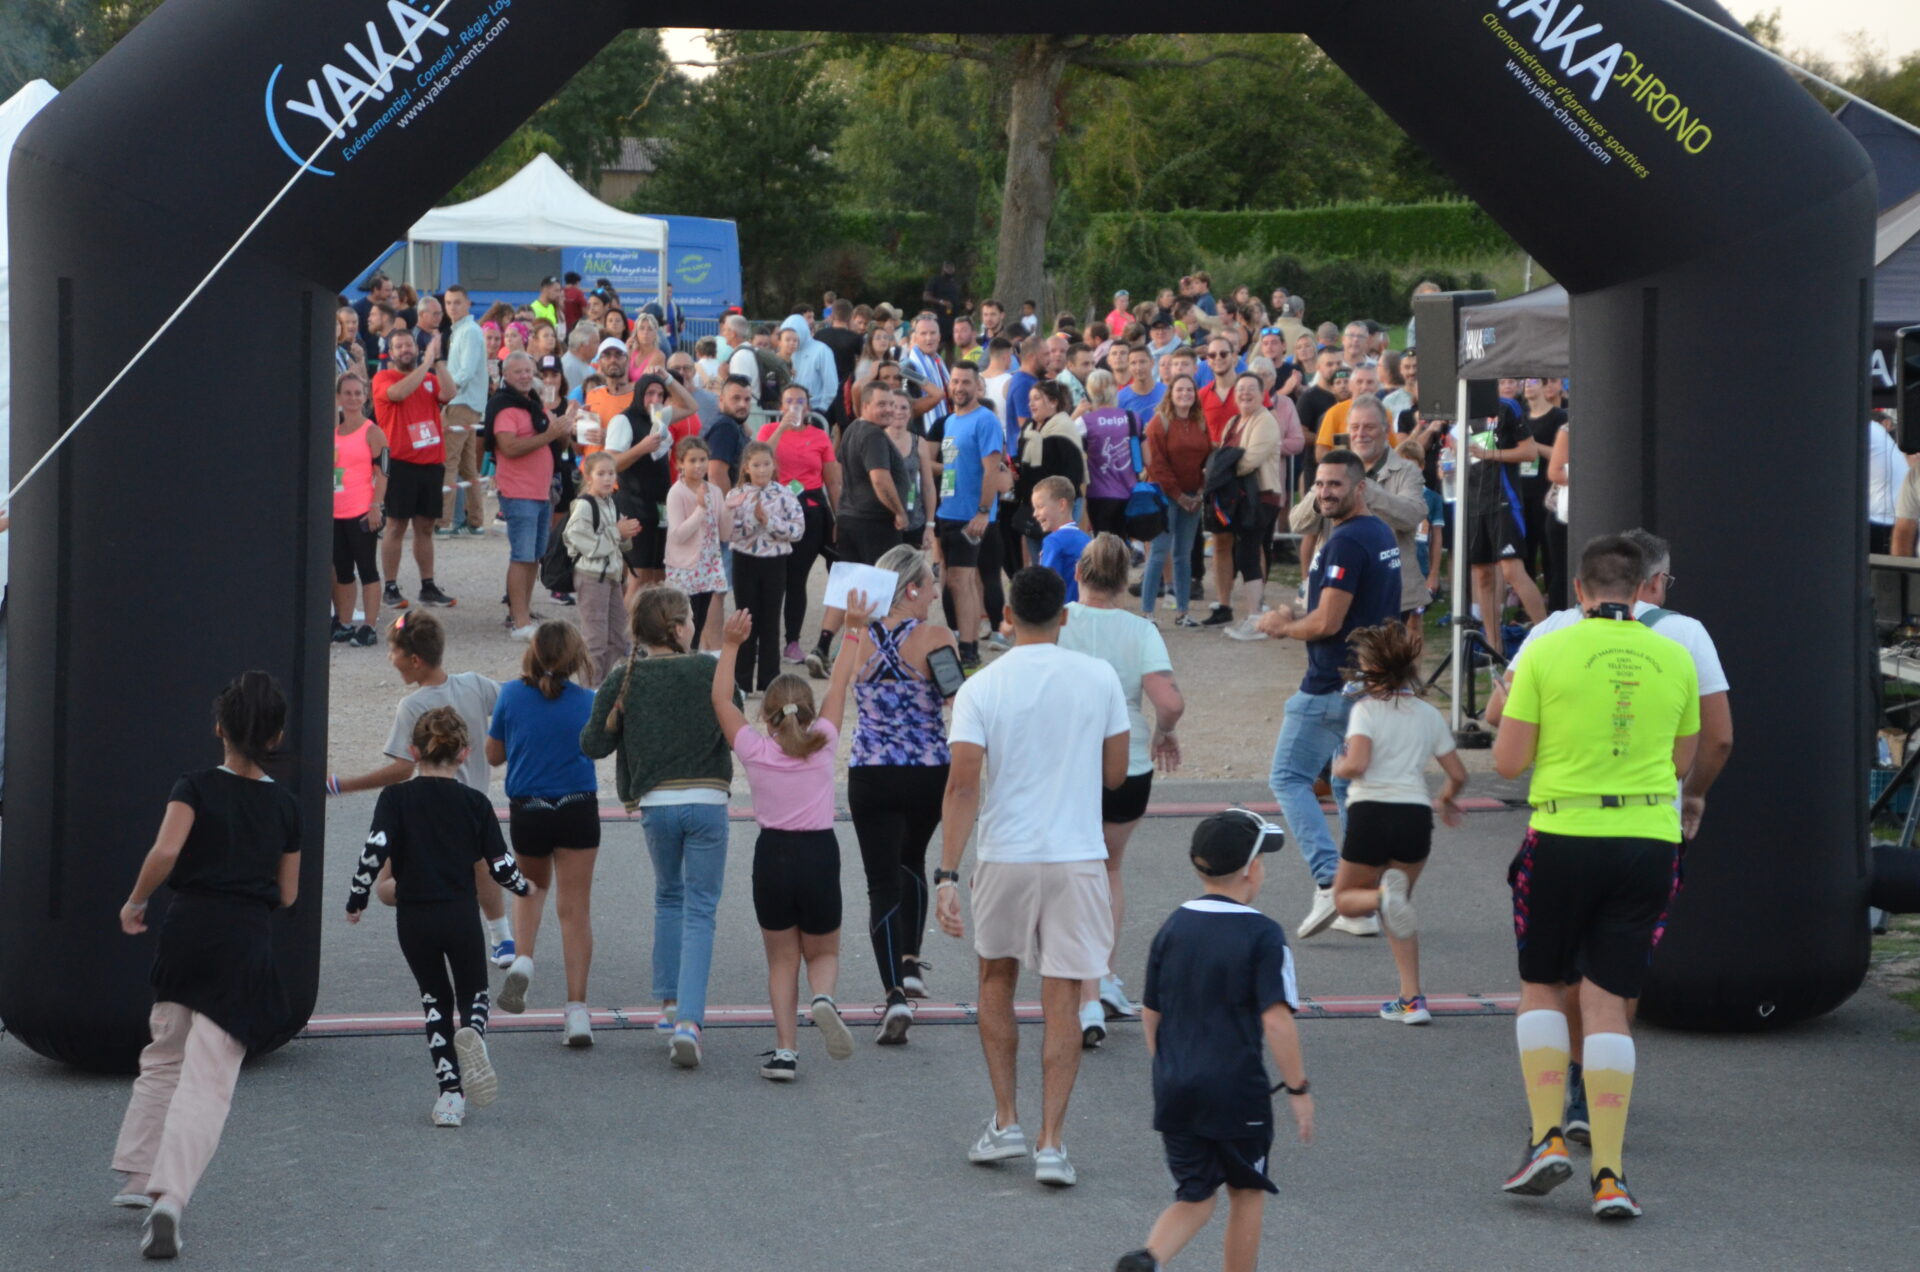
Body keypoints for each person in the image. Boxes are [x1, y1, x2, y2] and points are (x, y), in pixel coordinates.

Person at [1491, 535, 1701, 1221]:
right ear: (1642, 590)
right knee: (1610, 1003)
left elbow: (1507, 762)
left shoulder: (1547, 649)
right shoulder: (1676, 656)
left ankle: (1546, 1138)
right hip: (1648, 839)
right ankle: (1610, 1175)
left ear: (1579, 590)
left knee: (1542, 987)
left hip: (1564, 831)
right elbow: (1681, 762)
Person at [937, 566, 1130, 1189]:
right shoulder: (1098, 677)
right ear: (1064, 616)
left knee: (996, 979)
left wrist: (946, 873)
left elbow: (963, 787)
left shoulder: (981, 687)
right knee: (1064, 996)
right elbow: (1116, 775)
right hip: (1076, 854)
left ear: (1007, 616)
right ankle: (1052, 1142)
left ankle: (1006, 1120)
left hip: (1007, 854)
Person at [110, 673, 300, 1260]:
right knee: (209, 1078)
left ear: (219, 728)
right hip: (243, 940)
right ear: (276, 736)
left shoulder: (192, 786)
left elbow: (166, 851)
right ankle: (171, 1197)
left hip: (188, 929)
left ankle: (138, 1173)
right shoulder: (286, 806)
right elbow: (287, 893)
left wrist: (136, 901)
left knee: (164, 1052)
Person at [1113, 810, 1312, 1272]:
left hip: (1177, 1086)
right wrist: (1298, 1089)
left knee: (1195, 1196)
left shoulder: (1173, 926)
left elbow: (1152, 1012)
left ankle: (1148, 1260)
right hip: (1236, 1089)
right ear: (1250, 869)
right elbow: (1277, 1022)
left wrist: (1168, 1067)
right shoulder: (1264, 934)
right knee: (1247, 1191)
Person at [347, 707, 530, 1126]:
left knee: (434, 999)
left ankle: (450, 1097)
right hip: (458, 913)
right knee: (474, 992)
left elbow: (374, 849)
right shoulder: (474, 803)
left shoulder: (394, 798)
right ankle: (474, 1036)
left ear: (413, 752)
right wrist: (525, 888)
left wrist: (357, 897)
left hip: (414, 918)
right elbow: (499, 863)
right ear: (464, 753)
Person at [581, 587, 738, 1068]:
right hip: (707, 799)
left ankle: (670, 1005)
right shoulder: (708, 669)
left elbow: (593, 744)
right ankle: (689, 1020)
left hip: (655, 803)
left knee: (669, 897)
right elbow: (735, 721)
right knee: (701, 910)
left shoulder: (625, 677)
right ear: (679, 626)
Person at [1256, 451, 1402, 939]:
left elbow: (1328, 622)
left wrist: (1282, 626)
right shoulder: (1379, 534)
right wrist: (1298, 612)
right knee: (1344, 784)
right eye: (1319, 484)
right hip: (1367, 682)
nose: (1324, 492)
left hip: (1331, 683)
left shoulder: (1348, 540)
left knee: (1288, 777)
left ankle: (1330, 882)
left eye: (1335, 484)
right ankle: (1359, 902)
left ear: (1360, 488)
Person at [711, 611, 859, 1082]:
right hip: (819, 853)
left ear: (765, 715)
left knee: (781, 960)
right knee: (824, 953)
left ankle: (785, 1052)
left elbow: (720, 699)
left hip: (772, 856)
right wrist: (854, 628)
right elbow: (840, 681)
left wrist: (731, 645)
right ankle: (823, 998)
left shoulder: (755, 750)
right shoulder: (825, 740)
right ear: (810, 712)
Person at [823, 550, 957, 1043]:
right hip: (927, 771)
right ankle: (912, 961)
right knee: (912, 858)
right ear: (912, 589)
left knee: (880, 883)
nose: (936, 593)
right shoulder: (937, 638)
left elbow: (838, 688)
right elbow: (955, 698)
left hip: (872, 772)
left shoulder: (858, 638)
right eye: (931, 584)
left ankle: (895, 994)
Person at [1058, 535, 1185, 1044]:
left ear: (1078, 574)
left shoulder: (1058, 621)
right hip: (1126, 761)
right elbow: (1169, 702)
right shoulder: (1141, 631)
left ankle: (1083, 990)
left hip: (1069, 763)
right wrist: (1163, 731)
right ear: (1125, 580)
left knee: (1075, 872)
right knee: (1109, 869)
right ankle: (1105, 977)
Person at [1326, 622, 1467, 1025]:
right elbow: (1458, 773)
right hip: (1415, 816)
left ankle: (1382, 898)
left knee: (1346, 899)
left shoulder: (1366, 710)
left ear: (1370, 671)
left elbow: (1357, 763)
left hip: (1371, 812)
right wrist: (1446, 799)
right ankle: (1412, 999)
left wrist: (1339, 765)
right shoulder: (1429, 714)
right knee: (1399, 908)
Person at [485, 624, 601, 1046]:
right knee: (575, 910)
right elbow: (597, 747)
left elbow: (493, 755)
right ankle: (577, 1012)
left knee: (529, 890)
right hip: (577, 806)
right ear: (576, 658)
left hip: (528, 808)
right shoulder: (588, 701)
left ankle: (523, 960)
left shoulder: (511, 695)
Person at [807, 382, 912, 678]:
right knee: (879, 591)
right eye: (882, 404)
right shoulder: (874, 435)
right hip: (875, 523)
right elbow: (879, 479)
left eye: (892, 404)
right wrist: (899, 511)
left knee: (847, 587)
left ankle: (822, 647)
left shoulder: (853, 429)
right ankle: (868, 658)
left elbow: (844, 474)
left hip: (851, 519)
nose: (889, 409)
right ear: (865, 406)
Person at [490, 352, 579, 639]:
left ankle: (523, 614)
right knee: (521, 556)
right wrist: (551, 434)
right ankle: (518, 621)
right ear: (506, 375)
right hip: (519, 491)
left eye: (529, 371)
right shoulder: (504, 406)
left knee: (533, 557)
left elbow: (557, 444)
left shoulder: (534, 403)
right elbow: (510, 447)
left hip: (541, 491)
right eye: (518, 371)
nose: (526, 376)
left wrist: (563, 429)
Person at [756, 385, 842, 665]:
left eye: (800, 401)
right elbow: (759, 459)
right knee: (770, 579)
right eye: (789, 401)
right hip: (774, 510)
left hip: (809, 511)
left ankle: (792, 641)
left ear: (808, 407)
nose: (795, 405)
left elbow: (833, 480)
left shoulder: (818, 436)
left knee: (796, 578)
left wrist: (838, 518)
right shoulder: (769, 431)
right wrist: (782, 427)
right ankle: (763, 639)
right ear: (781, 406)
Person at [374, 327, 456, 610]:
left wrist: (438, 361)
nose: (405, 350)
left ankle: (428, 585)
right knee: (396, 525)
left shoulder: (429, 378)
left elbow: (450, 392)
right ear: (390, 352)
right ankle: (390, 586)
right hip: (400, 463)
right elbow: (398, 393)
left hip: (430, 462)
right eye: (399, 346)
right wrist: (426, 363)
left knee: (426, 527)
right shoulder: (383, 378)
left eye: (409, 345)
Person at [933, 363, 1006, 668]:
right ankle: (968, 644)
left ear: (978, 386)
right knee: (956, 581)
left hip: (969, 515)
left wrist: (984, 511)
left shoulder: (985, 419)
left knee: (962, 582)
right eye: (955, 381)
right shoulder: (950, 421)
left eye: (966, 382)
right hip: (947, 511)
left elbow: (992, 470)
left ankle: (969, 649)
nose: (959, 387)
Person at [1465, 397, 1549, 654]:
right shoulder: (1460, 406)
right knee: (1482, 574)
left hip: (1503, 498)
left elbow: (1529, 452)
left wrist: (1490, 454)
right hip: (1473, 501)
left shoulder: (1505, 407)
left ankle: (1548, 641)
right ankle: (1494, 648)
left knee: (1512, 569)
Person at [1219, 374, 1297, 641]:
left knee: (1248, 554)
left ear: (1262, 393)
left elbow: (1250, 460)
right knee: (1246, 553)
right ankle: (1255, 613)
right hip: (1242, 498)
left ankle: (1255, 618)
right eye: (1240, 389)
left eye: (1251, 389)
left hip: (1261, 497)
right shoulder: (1233, 422)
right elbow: (1225, 452)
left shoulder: (1266, 420)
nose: (1245, 393)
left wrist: (1220, 471)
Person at [727, 440, 805, 695]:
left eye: (766, 464)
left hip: (775, 562)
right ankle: (742, 682)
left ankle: (769, 682)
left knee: (770, 621)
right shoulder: (736, 496)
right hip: (745, 561)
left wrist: (769, 521)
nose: (761, 470)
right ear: (746, 468)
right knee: (745, 619)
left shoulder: (785, 494)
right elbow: (729, 531)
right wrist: (753, 521)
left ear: (774, 466)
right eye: (756, 465)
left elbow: (797, 530)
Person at [1140, 374, 1211, 627]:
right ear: (1171, 393)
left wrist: (1200, 491)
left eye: (1189, 390)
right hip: (1165, 496)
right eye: (1180, 390)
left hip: (1192, 496)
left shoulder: (1200, 422)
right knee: (1159, 552)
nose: (1185, 394)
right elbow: (1156, 464)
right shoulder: (1159, 423)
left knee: (1184, 554)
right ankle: (1147, 613)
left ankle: (1183, 611)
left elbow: (1207, 459)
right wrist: (1178, 495)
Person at [564, 452, 640, 686]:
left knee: (618, 638)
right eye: (601, 474)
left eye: (611, 473)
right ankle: (590, 690)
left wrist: (626, 534)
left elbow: (615, 543)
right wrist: (617, 532)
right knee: (595, 639)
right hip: (591, 577)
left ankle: (601, 685)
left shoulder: (610, 502)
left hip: (611, 576)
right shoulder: (584, 506)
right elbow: (584, 544)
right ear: (588, 477)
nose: (607, 479)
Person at [331, 372, 388, 647]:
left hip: (362, 511)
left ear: (365, 397)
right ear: (338, 397)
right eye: (348, 393)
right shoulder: (332, 433)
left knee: (367, 569)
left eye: (358, 393)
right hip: (335, 513)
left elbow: (384, 472)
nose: (353, 398)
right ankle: (344, 622)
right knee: (342, 571)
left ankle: (369, 625)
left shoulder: (372, 432)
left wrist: (376, 505)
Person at [1033, 475, 1092, 603]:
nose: (1035, 513)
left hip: (1062, 610)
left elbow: (1046, 585)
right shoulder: (1087, 539)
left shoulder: (1053, 541)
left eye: (1040, 506)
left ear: (1061, 505)